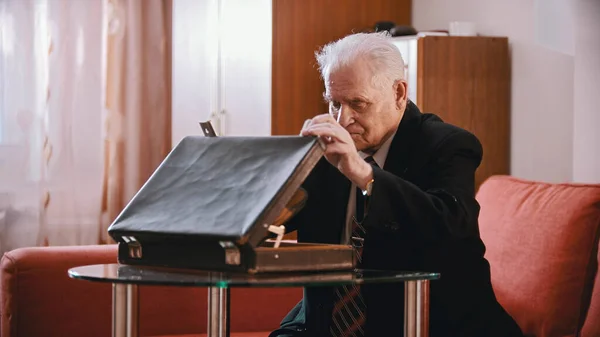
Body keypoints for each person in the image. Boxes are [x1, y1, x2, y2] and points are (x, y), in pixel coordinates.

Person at [268, 32, 524, 337]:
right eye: (334, 103)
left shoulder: (449, 145)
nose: (342, 118)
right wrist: (287, 168)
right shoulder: (328, 149)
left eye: (357, 104)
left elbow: (448, 226)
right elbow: (268, 224)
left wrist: (362, 173)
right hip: (330, 321)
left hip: (432, 322)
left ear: (399, 93)